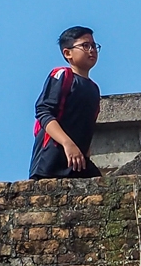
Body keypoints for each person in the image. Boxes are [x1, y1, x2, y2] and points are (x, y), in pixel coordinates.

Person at [28, 27, 103, 180]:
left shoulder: (94, 89)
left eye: (94, 46)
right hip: (52, 159)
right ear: (68, 53)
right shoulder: (62, 75)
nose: (91, 50)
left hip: (78, 161)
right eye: (85, 46)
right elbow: (44, 112)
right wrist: (67, 144)